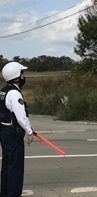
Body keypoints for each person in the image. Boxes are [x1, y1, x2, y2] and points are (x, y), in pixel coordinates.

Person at [0, 62, 34, 197]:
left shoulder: (3, 91)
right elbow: (21, 116)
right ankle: (13, 194)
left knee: (7, 166)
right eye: (22, 74)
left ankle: (5, 193)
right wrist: (29, 131)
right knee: (15, 168)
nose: (24, 77)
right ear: (17, 77)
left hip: (4, 132)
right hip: (13, 134)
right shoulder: (15, 94)